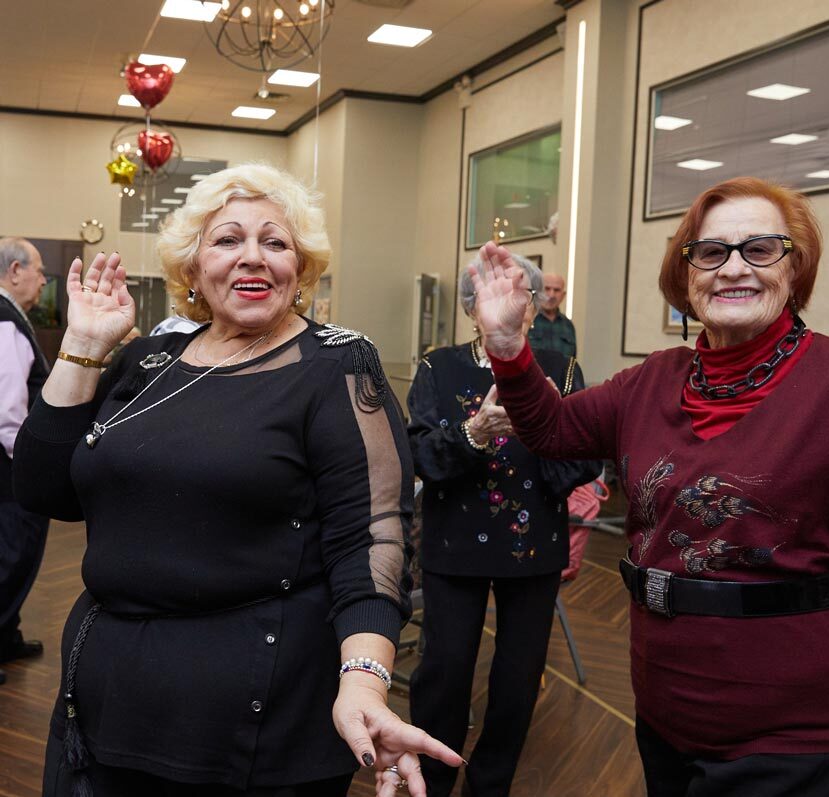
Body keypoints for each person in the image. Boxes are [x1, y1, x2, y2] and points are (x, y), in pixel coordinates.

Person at [469, 177, 829, 797]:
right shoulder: (652, 381)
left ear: (794, 269)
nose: (733, 269)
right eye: (712, 252)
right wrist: (507, 345)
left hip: (798, 718)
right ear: (686, 274)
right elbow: (554, 429)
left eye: (760, 249)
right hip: (665, 697)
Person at [12, 163, 461, 797]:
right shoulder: (149, 361)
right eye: (228, 240)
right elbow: (42, 489)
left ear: (300, 268)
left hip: (250, 723)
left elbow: (373, 540)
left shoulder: (335, 365)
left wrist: (363, 679)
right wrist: (83, 345)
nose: (253, 258)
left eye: (275, 242)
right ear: (192, 267)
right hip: (105, 702)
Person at [407, 254, 601, 797]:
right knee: (443, 675)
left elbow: (582, 460)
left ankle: (490, 785)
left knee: (517, 682)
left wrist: (537, 431)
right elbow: (418, 455)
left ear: (534, 311)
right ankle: (431, 782)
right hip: (453, 542)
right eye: (487, 298)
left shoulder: (561, 370)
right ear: (473, 310)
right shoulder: (437, 368)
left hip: (532, 546)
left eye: (525, 298)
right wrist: (472, 434)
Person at [0, 237, 50, 687]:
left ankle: (6, 635)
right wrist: (29, 465)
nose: (42, 279)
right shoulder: (5, 320)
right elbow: (7, 408)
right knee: (11, 555)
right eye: (37, 270)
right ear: (15, 271)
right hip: (9, 473)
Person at [526, 272, 576, 357]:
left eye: (556, 290)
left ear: (563, 295)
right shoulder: (526, 320)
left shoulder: (568, 325)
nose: (551, 295)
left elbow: (572, 363)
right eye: (547, 289)